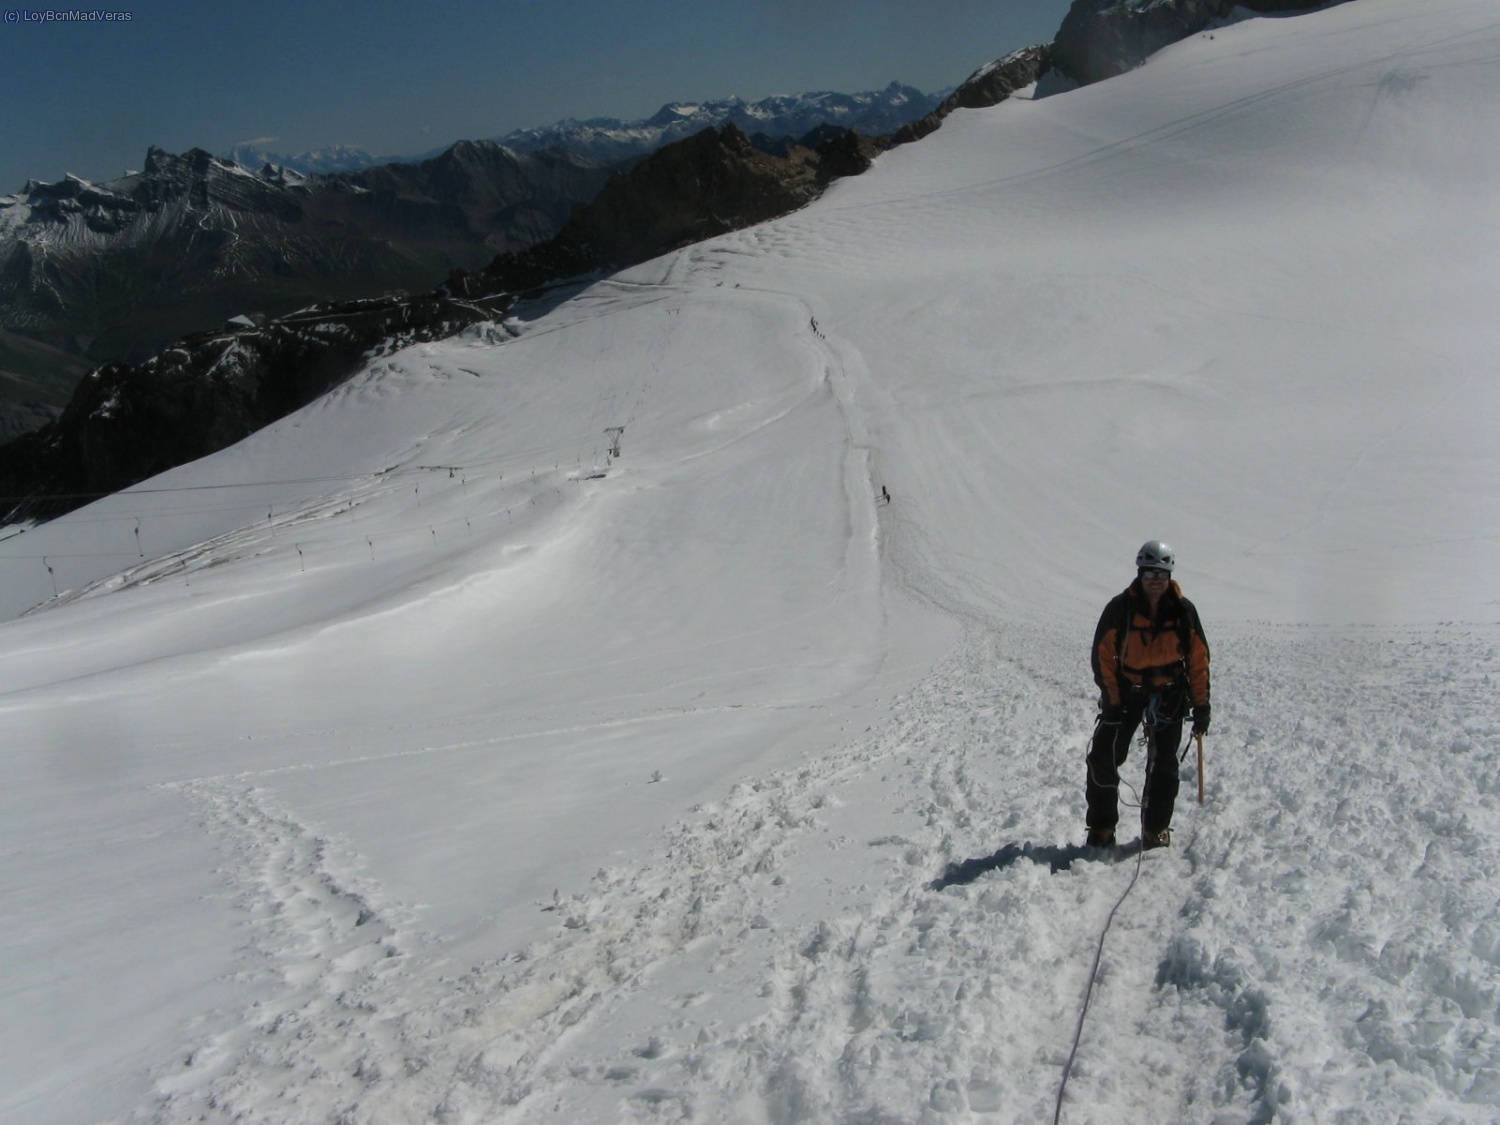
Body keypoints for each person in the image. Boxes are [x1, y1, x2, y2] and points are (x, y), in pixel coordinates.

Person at [1086, 540, 1210, 850]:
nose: (1156, 581)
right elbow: (1104, 656)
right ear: (1140, 574)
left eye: (1162, 574)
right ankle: (1102, 828)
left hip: (1169, 693)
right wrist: (1112, 700)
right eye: (1150, 573)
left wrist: (1201, 704)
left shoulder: (1183, 611)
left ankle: (1155, 829)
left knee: (1164, 764)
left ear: (1169, 576)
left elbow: (1197, 661)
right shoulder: (1121, 609)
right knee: (1103, 758)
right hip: (1128, 692)